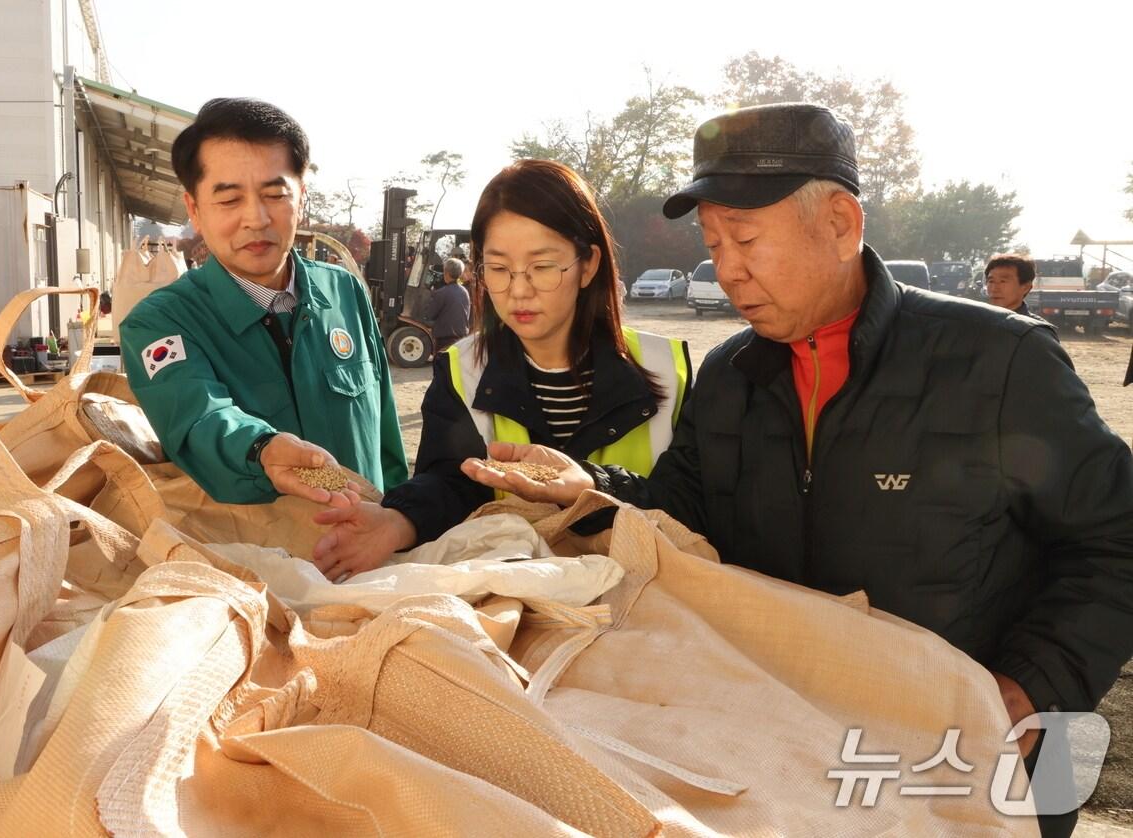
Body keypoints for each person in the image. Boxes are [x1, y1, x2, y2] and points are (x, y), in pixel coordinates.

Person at [463, 104, 1133, 836]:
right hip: (808, 750)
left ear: (841, 224)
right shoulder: (731, 376)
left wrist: (1038, 681)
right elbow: (684, 512)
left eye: (746, 239)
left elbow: (1115, 538)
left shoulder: (996, 362)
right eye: (713, 244)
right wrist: (592, 489)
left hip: (981, 756)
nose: (726, 270)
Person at [310, 159, 691, 578]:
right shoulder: (461, 369)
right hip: (523, 605)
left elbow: (692, 500)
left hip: (647, 601)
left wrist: (594, 488)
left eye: (543, 267)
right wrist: (400, 520)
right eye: (499, 269)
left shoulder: (671, 370)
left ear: (589, 264)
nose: (519, 290)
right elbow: (453, 482)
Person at [120, 97, 407, 506]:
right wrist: (262, 450)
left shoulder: (344, 292)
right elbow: (200, 418)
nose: (256, 218)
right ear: (195, 209)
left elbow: (385, 436)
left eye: (275, 194)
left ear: (301, 197)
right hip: (260, 564)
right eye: (229, 199)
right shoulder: (161, 322)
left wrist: (401, 519)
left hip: (377, 555)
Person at [425, 256, 471, 352]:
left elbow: (430, 315)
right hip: (461, 337)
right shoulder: (465, 291)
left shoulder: (440, 293)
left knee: (442, 365)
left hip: (444, 339)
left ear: (446, 273)